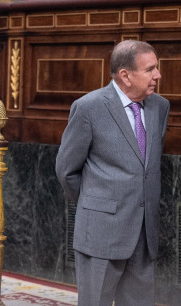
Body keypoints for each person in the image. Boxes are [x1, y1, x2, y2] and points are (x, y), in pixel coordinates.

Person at [55, 40, 170, 306]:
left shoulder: (159, 107)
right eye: (150, 69)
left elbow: (147, 167)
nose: (158, 76)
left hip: (144, 233)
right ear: (125, 76)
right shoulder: (88, 108)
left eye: (157, 68)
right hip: (101, 233)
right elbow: (66, 169)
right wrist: (95, 205)